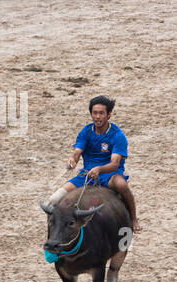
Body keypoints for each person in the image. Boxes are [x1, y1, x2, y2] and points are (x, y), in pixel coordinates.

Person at [49, 95, 139, 234]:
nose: (97, 117)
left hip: (108, 174)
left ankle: (133, 218)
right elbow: (77, 151)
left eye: (101, 113)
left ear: (109, 115)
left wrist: (99, 169)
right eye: (94, 113)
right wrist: (73, 159)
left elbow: (115, 163)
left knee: (121, 185)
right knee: (54, 200)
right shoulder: (86, 131)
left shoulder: (117, 135)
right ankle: (54, 234)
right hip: (87, 174)